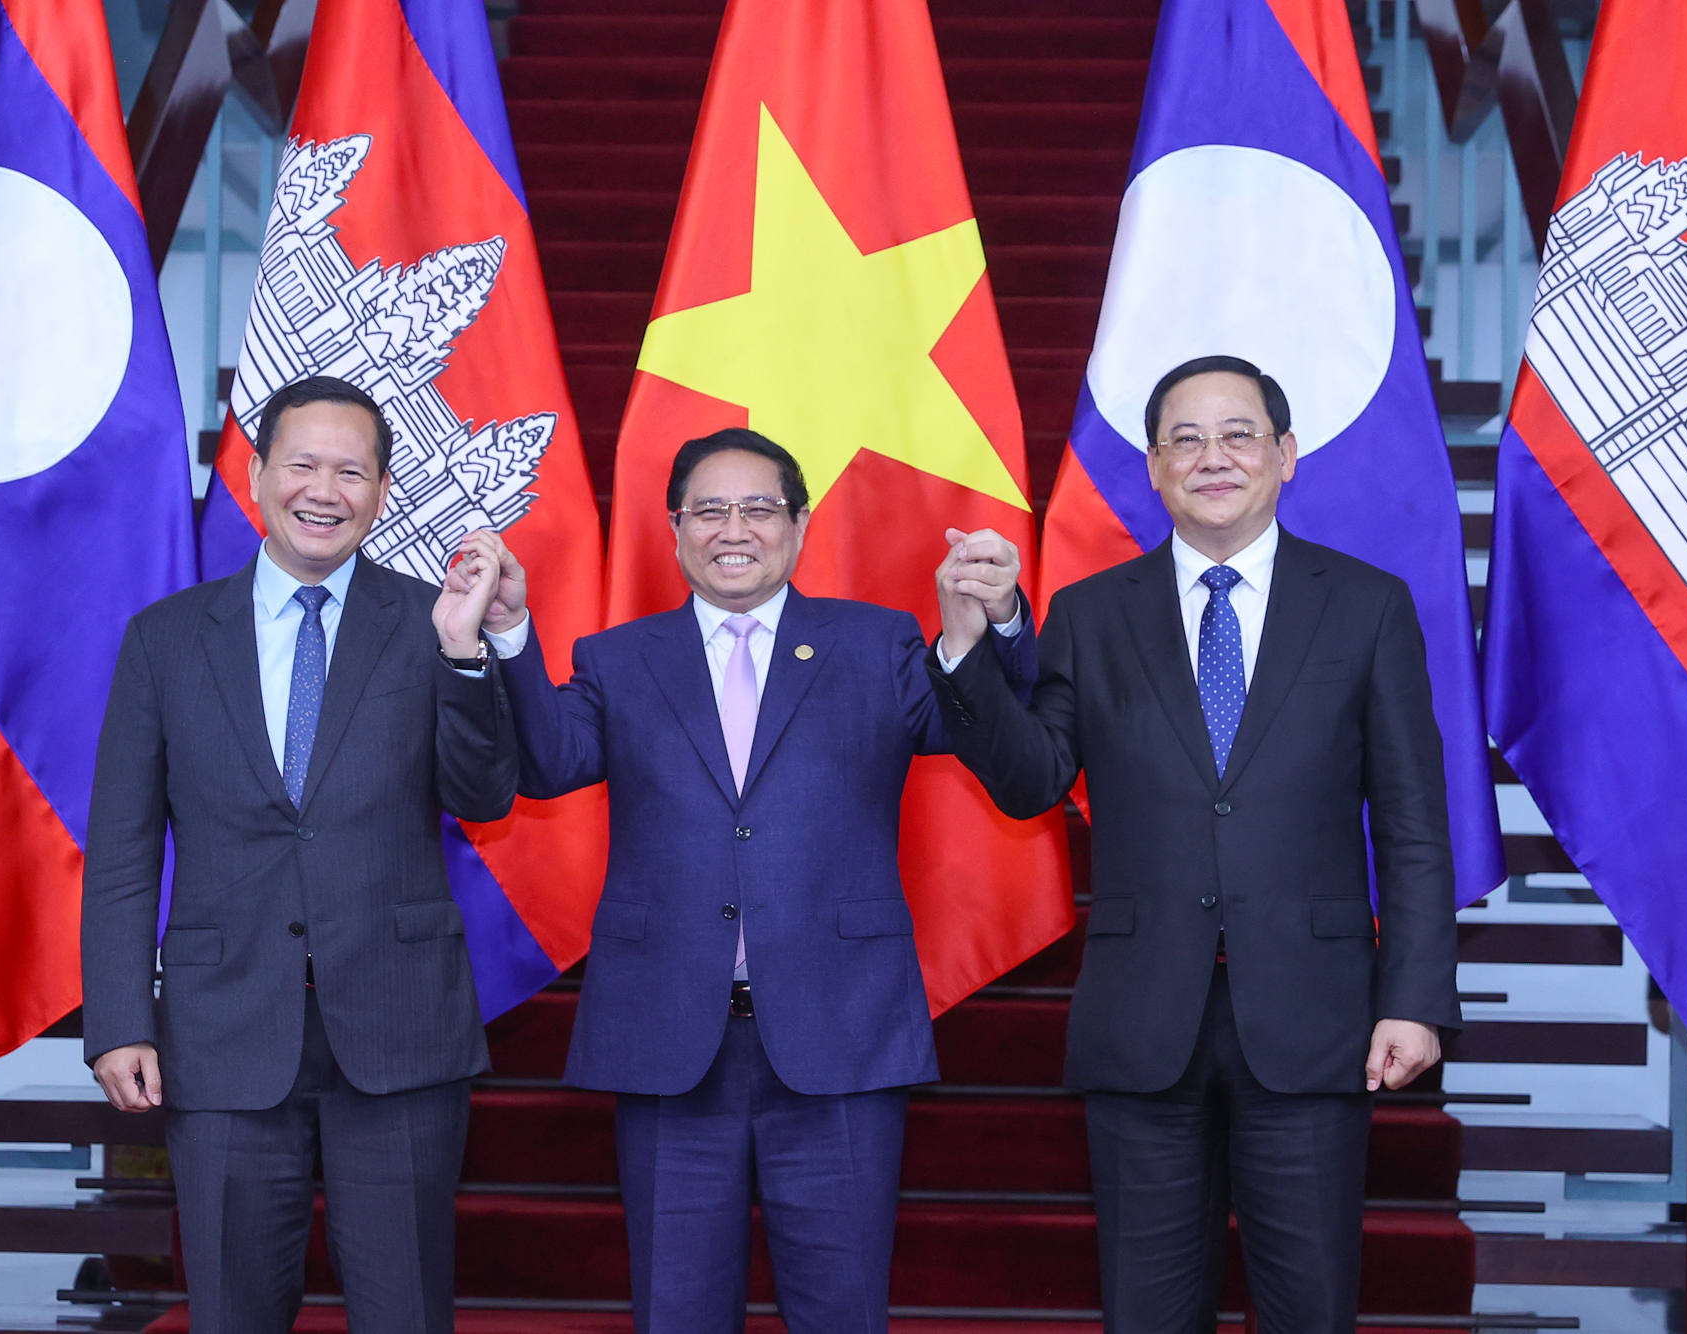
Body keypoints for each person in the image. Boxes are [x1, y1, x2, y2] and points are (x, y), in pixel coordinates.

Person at [449, 427, 1031, 1334]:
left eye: (759, 508)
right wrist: (509, 631)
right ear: (674, 529)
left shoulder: (876, 643)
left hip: (840, 1034)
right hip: (671, 1037)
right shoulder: (619, 656)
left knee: (842, 1313)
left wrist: (991, 628)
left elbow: (996, 737)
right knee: (677, 1311)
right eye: (709, 510)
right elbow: (550, 765)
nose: (734, 529)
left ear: (800, 524)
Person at [930, 357, 1461, 1334]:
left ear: (1285, 454)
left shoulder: (1365, 605)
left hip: (1314, 1018)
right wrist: (969, 644)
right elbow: (1031, 781)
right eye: (1185, 439)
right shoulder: (1092, 611)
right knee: (1147, 1311)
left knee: (1308, 1310)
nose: (1212, 457)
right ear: (1153, 467)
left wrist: (1416, 999)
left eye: (1237, 434)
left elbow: (1413, 822)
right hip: (1143, 1021)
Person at [80, 375, 518, 1334]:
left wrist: (464, 654)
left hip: (400, 1027)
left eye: (351, 472)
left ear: (384, 491)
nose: (325, 491)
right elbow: (120, 851)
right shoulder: (165, 640)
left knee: (405, 1311)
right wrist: (118, 1021)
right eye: (303, 465)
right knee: (232, 1310)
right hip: (221, 1027)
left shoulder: (433, 623)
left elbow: (484, 796)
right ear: (256, 474)